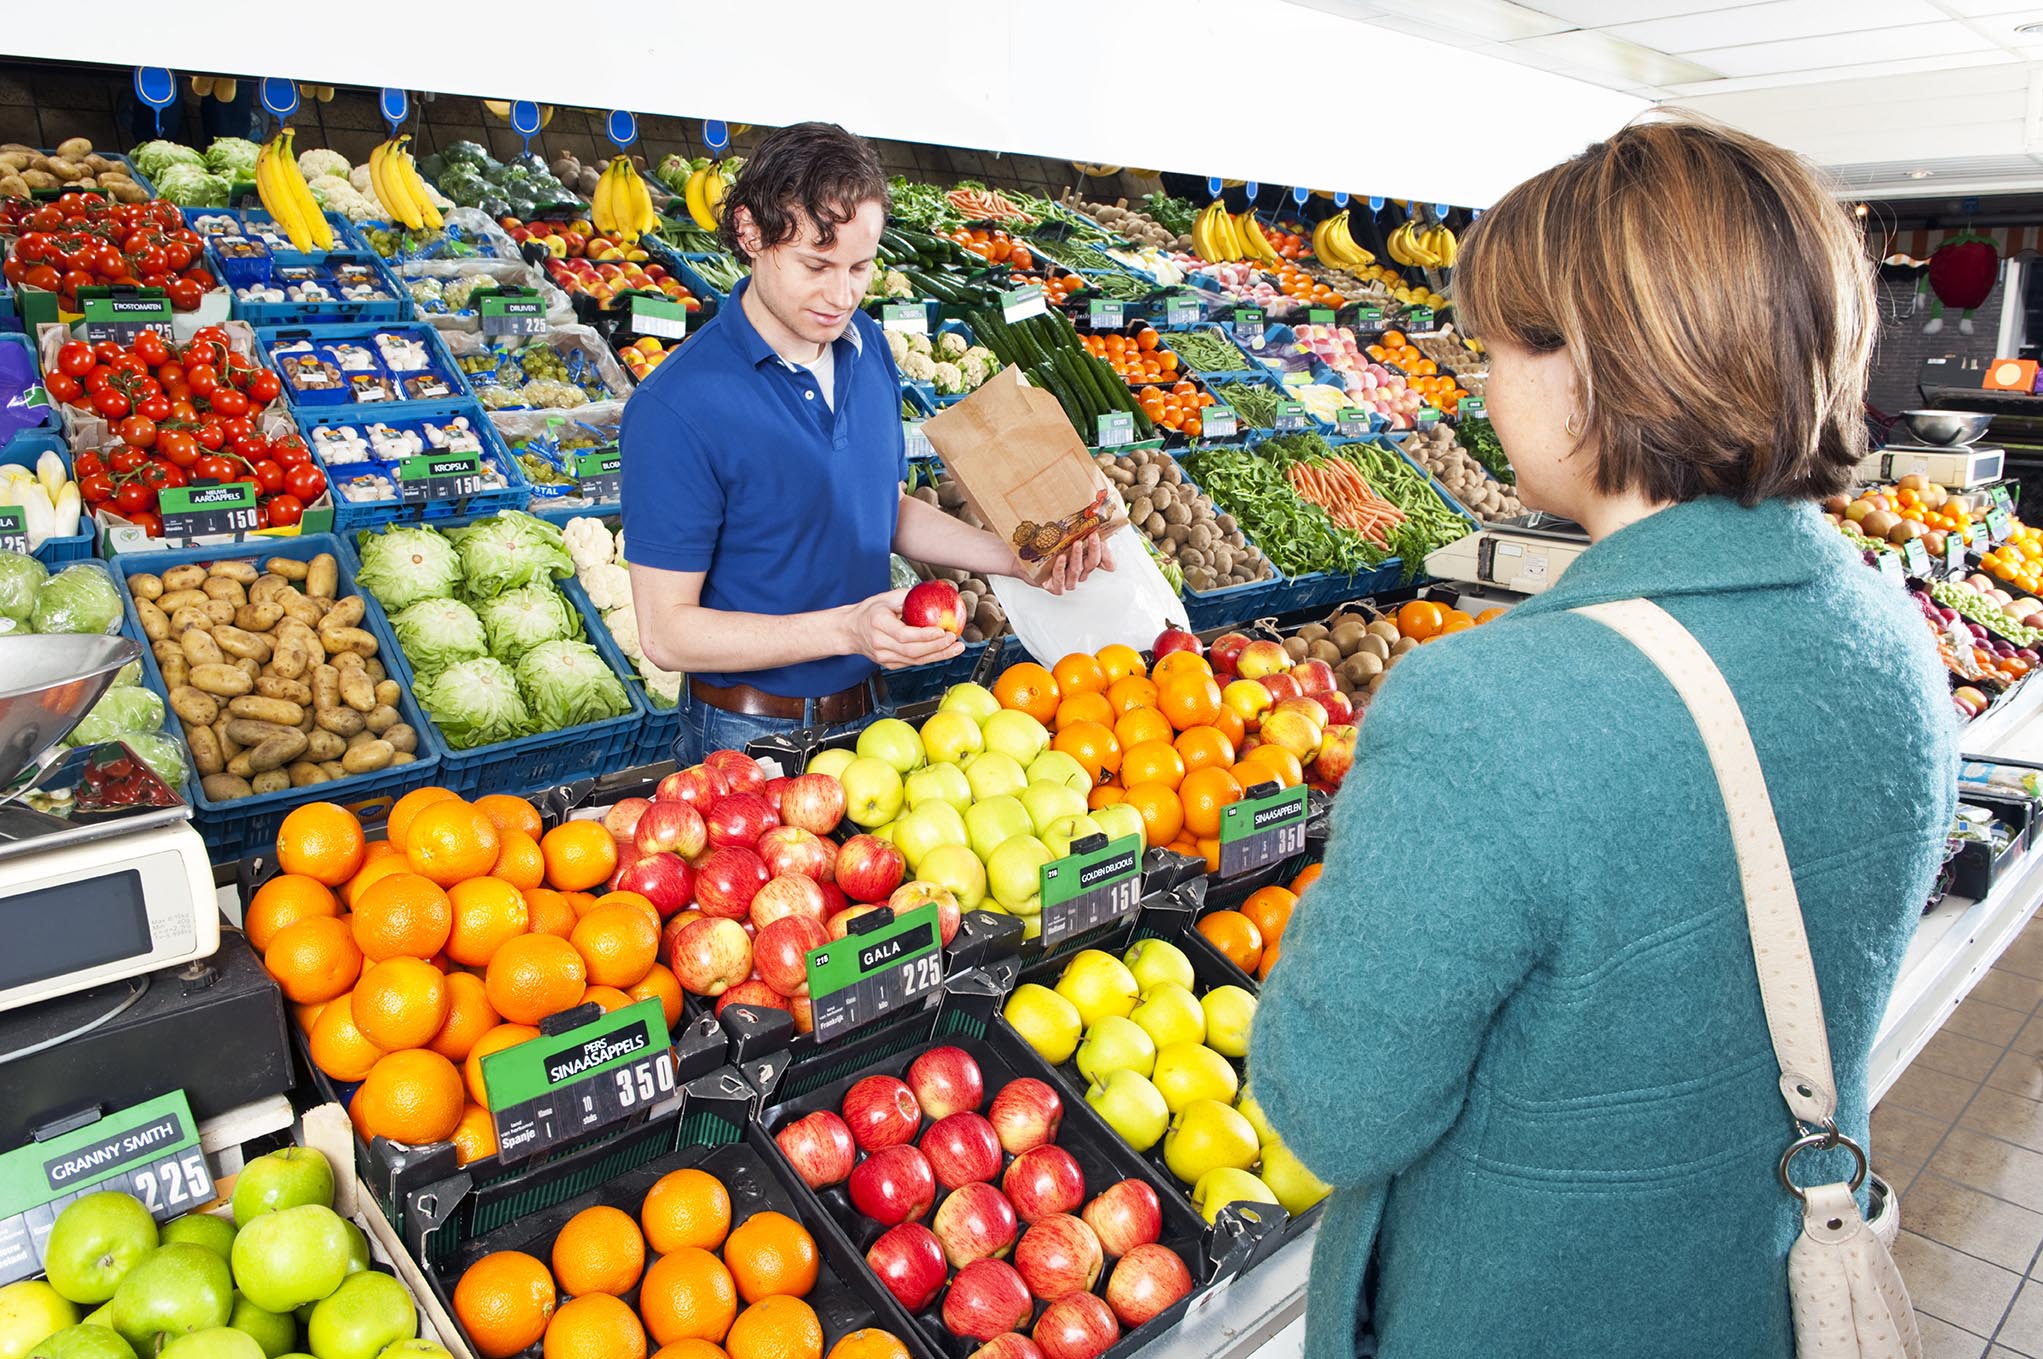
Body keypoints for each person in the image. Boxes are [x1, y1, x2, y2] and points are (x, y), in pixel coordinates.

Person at [1247, 113, 1959, 1359]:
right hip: (1751, 1300)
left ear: (1592, 368)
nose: (1481, 384)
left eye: (1496, 348)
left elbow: (1335, 1112)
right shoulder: (1887, 640)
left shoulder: (1490, 711)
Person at [621, 122, 1111, 766]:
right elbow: (668, 634)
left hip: (871, 717)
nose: (841, 294)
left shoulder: (869, 349)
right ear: (749, 233)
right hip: (748, 738)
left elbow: (881, 508)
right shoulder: (675, 407)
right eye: (816, 265)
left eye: (860, 266)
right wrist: (845, 628)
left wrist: (1015, 557)